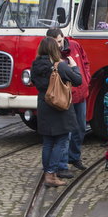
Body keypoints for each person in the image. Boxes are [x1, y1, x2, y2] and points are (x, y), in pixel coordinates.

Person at [31, 37, 82, 187]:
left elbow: (34, 82)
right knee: (61, 140)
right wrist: (74, 67)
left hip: (44, 105)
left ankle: (48, 171)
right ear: (55, 50)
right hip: (59, 106)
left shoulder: (35, 65)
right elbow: (78, 80)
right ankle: (51, 174)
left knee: (47, 142)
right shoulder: (59, 66)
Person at [47, 29, 90, 174]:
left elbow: (85, 62)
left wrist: (87, 79)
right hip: (65, 97)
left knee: (81, 127)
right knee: (66, 132)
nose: (58, 45)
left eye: (59, 41)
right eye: (54, 42)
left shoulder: (75, 45)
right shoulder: (50, 53)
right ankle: (63, 163)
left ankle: (74, 157)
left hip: (80, 93)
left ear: (63, 38)